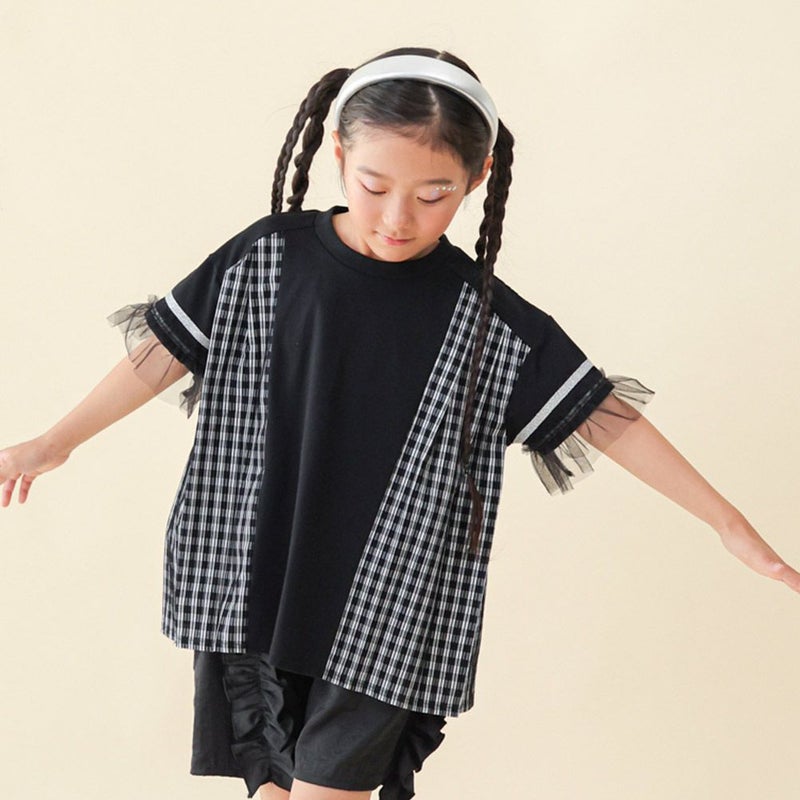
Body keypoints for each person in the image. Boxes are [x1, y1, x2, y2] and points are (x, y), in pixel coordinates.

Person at [1, 46, 798, 800]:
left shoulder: (489, 322)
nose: (397, 217)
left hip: (394, 603)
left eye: (433, 194)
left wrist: (727, 523)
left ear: (479, 178)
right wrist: (51, 443)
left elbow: (603, 419)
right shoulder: (264, 259)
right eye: (374, 184)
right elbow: (166, 352)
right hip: (253, 573)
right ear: (339, 153)